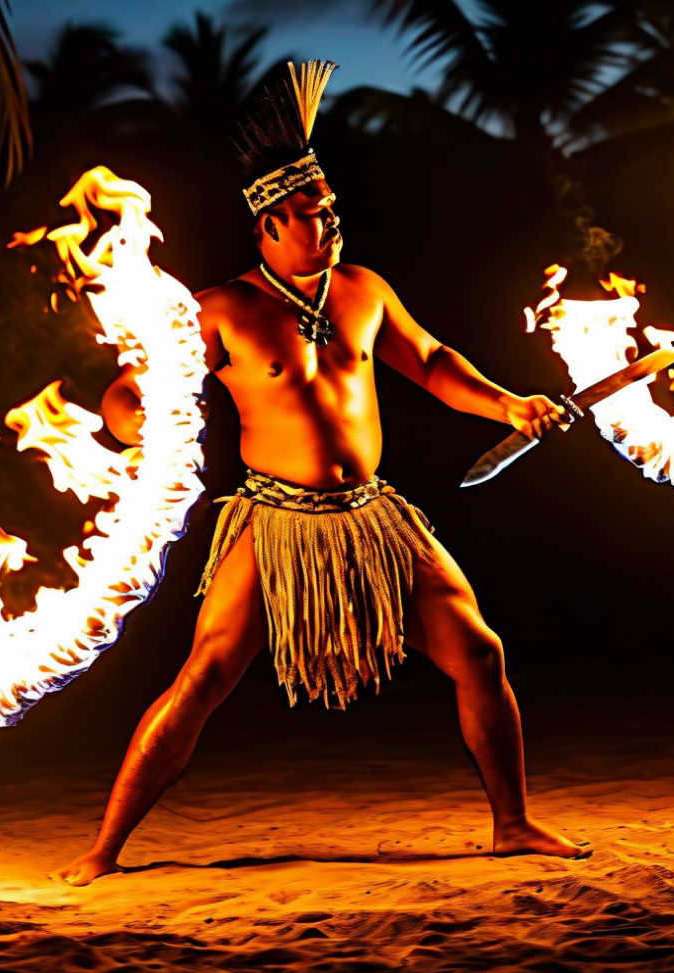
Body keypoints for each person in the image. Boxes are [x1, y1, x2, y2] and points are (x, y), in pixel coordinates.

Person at [53, 62, 587, 886]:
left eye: (333, 208)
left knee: (480, 652)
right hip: (276, 522)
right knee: (203, 677)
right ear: (269, 224)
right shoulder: (222, 309)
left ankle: (512, 824)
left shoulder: (364, 291)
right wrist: (137, 428)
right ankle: (104, 848)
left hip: (375, 514)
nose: (330, 222)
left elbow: (435, 364)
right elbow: (132, 391)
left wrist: (510, 406)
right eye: (311, 214)